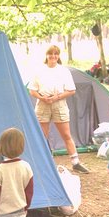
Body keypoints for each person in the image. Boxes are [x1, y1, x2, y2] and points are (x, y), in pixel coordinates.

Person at [28, 45, 90, 174]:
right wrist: (42, 98)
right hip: (43, 104)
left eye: (56, 54)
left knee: (66, 135)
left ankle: (76, 163)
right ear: (46, 55)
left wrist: (57, 97)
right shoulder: (39, 70)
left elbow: (71, 90)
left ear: (58, 56)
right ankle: (43, 163)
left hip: (59, 103)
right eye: (51, 54)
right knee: (42, 136)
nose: (53, 56)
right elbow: (32, 90)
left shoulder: (63, 71)